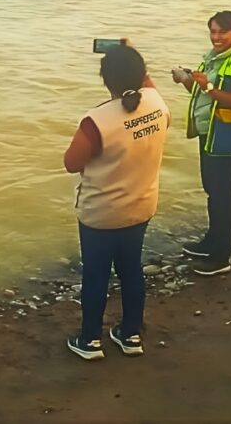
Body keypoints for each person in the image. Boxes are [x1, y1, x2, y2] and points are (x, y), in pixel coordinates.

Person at [64, 43, 170, 360]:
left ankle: (90, 340)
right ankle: (131, 334)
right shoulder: (156, 103)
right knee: (131, 270)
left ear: (105, 80)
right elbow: (146, 85)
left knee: (96, 275)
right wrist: (133, 55)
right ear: (142, 74)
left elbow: (71, 162)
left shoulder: (96, 121)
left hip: (102, 213)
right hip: (141, 206)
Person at [172, 10, 231, 277]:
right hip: (210, 133)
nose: (216, 37)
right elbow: (206, 94)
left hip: (228, 138)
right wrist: (189, 81)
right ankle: (211, 242)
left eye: (222, 32)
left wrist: (209, 87)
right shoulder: (213, 58)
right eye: (212, 31)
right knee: (213, 191)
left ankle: (221, 257)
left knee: (223, 195)